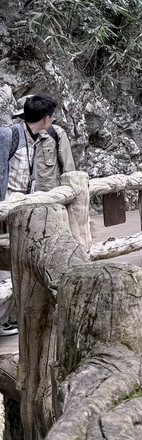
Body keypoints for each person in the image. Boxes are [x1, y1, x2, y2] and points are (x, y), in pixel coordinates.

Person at [0, 94, 76, 336]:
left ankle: (6, 319)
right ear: (45, 119)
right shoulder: (9, 135)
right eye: (51, 117)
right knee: (5, 264)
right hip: (6, 210)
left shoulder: (35, 138)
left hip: (22, 208)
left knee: (17, 260)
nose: (53, 121)